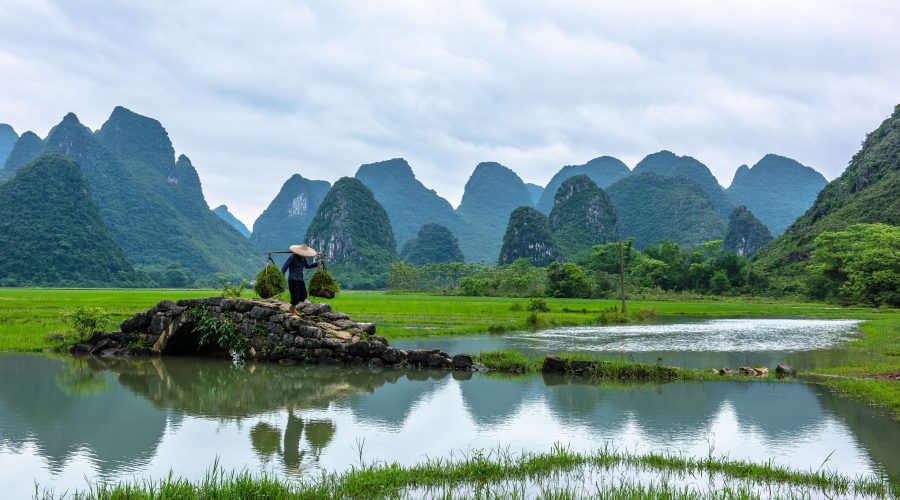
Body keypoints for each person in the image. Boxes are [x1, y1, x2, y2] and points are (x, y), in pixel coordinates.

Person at [281, 244, 321, 318]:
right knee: (295, 296)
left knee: (303, 295)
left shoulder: (303, 258)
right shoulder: (292, 256)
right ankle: (293, 311)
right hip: (293, 279)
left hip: (300, 279)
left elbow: (307, 266)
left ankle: (292, 307)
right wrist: (281, 275)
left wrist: (316, 264)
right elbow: (285, 266)